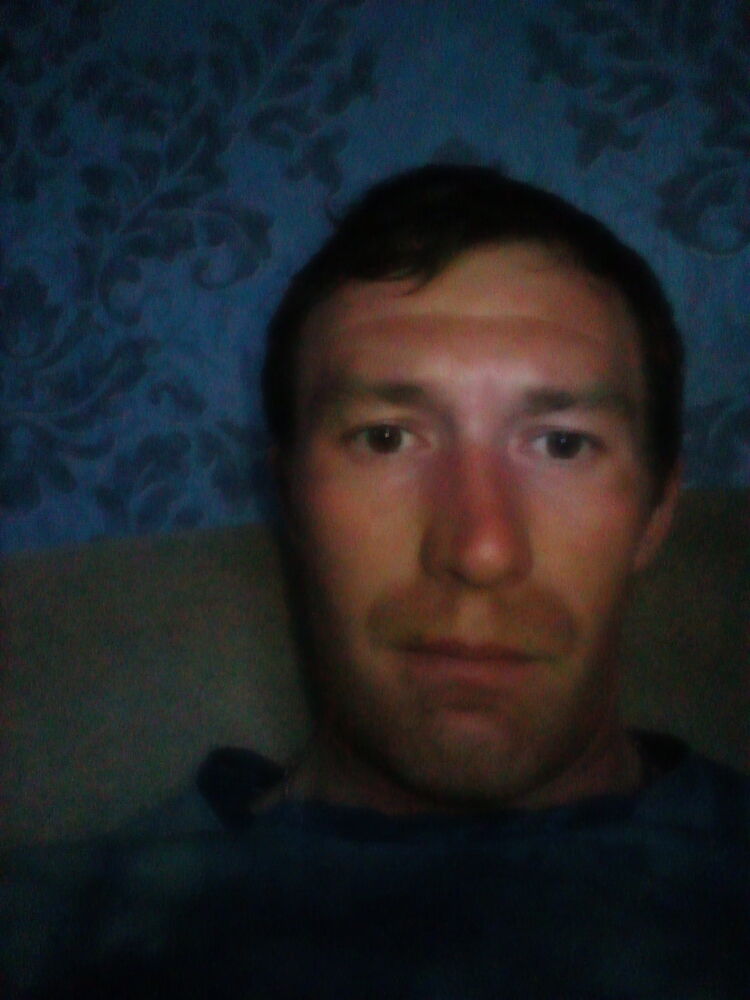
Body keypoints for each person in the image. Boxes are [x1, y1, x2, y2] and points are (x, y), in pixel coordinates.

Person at [2, 165, 747, 998]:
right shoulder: (55, 943)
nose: (481, 551)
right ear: (291, 497)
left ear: (656, 512)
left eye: (563, 444)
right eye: (386, 438)